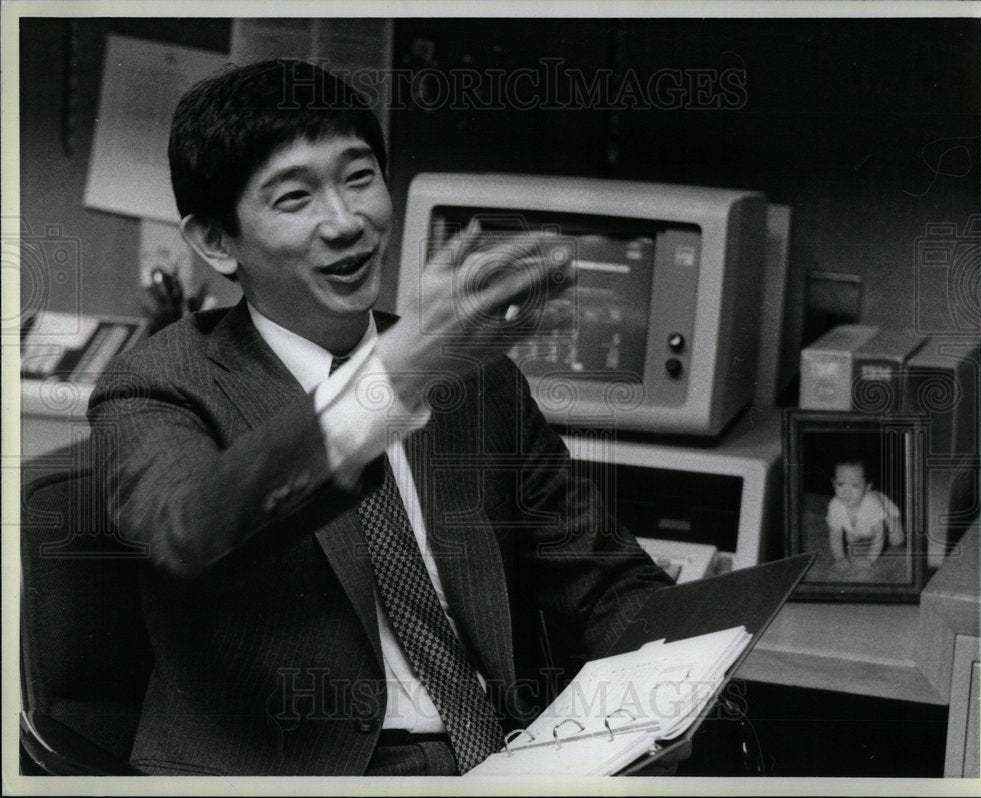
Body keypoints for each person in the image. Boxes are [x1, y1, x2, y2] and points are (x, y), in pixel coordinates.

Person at [87, 58, 673, 777]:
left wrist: (675, 690)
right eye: (294, 198)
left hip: (500, 753)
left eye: (360, 178)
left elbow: (607, 581)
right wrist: (392, 379)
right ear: (216, 240)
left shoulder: (477, 377)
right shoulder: (157, 383)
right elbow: (192, 529)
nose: (347, 222)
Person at [826, 458, 905, 566]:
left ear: (867, 487)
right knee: (850, 539)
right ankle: (859, 531)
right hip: (860, 524)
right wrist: (839, 558)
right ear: (833, 484)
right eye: (840, 484)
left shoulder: (871, 503)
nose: (846, 491)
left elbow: (879, 535)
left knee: (897, 541)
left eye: (854, 485)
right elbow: (835, 535)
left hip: (885, 514)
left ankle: (890, 522)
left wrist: (870, 559)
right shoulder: (835, 505)